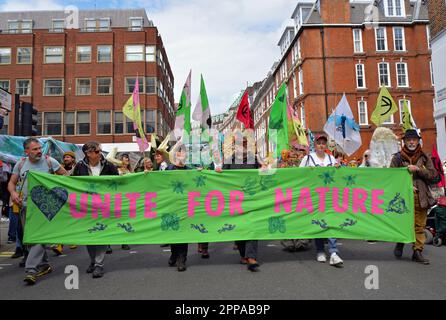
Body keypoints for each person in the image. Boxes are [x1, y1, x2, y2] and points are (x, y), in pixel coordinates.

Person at [7, 138, 67, 285]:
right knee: (28, 238)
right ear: (26, 151)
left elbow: (65, 177)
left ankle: (31, 269)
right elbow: (11, 183)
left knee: (37, 237)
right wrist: (13, 194)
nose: (39, 151)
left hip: (45, 208)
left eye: (40, 148)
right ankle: (44, 265)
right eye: (35, 149)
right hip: (26, 206)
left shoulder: (50, 162)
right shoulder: (20, 164)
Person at [72, 141, 119, 278]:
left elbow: (117, 183)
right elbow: (72, 183)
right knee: (89, 236)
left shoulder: (108, 165)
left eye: (100, 151)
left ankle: (99, 264)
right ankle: (93, 261)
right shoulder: (80, 166)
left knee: (101, 234)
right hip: (86, 206)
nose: (100, 154)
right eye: (97, 151)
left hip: (104, 206)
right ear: (88, 153)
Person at [390, 129, 437, 265]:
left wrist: (419, 170)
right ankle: (400, 242)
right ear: (404, 141)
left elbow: (433, 175)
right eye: (409, 140)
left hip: (421, 197)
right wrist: (406, 186)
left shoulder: (424, 157)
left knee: (419, 226)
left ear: (418, 141)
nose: (411, 142)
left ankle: (417, 252)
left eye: (414, 140)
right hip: (403, 198)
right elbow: (391, 178)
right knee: (403, 224)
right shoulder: (397, 158)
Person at [299, 134, 344, 268]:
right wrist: (307, 172)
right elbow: (298, 175)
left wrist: (338, 169)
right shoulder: (308, 159)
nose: (321, 145)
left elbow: (337, 177)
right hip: (314, 196)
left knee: (331, 221)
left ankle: (334, 252)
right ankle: (319, 250)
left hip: (329, 196)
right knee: (319, 222)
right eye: (319, 143)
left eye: (323, 143)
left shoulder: (331, 158)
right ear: (315, 144)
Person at [223, 135, 262, 272]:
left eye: (244, 144)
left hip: (251, 200)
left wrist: (266, 168)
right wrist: (217, 172)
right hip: (235, 201)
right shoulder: (229, 161)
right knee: (239, 228)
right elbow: (220, 179)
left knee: (252, 227)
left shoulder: (255, 159)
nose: (241, 146)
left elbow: (263, 174)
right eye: (238, 144)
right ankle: (243, 254)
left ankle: (251, 256)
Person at [165, 143, 192, 272]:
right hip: (171, 205)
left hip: (185, 206)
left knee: (183, 233)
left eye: (183, 152)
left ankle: (182, 259)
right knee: (174, 231)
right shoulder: (168, 170)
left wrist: (201, 173)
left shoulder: (190, 170)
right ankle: (174, 254)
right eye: (178, 152)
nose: (181, 154)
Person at [52, 151, 79, 256]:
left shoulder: (78, 168)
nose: (66, 159)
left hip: (74, 197)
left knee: (72, 219)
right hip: (61, 196)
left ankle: (72, 239)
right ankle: (59, 245)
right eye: (65, 157)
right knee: (61, 220)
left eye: (68, 157)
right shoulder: (58, 168)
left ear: (73, 159)